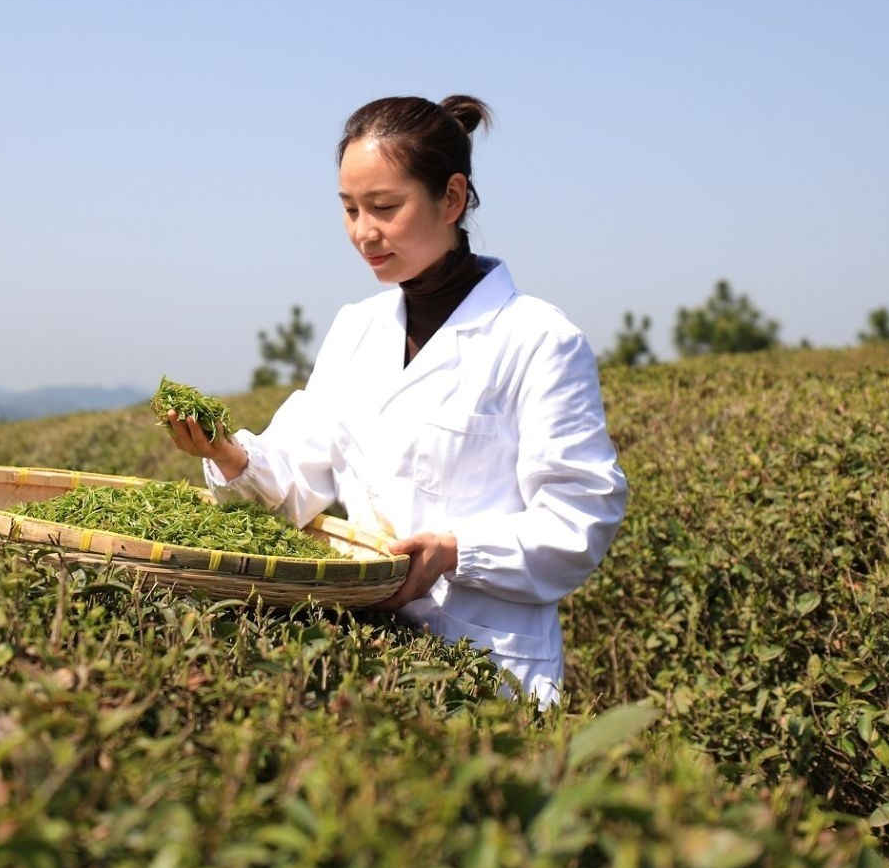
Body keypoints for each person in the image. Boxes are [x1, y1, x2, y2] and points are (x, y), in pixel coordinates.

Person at [163, 94, 628, 707]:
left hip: (487, 666)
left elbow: (579, 521)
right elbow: (299, 473)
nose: (363, 232)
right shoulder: (357, 328)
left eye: (384, 207)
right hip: (359, 654)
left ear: (452, 199)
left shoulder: (539, 340)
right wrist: (230, 455)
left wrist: (455, 551)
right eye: (350, 209)